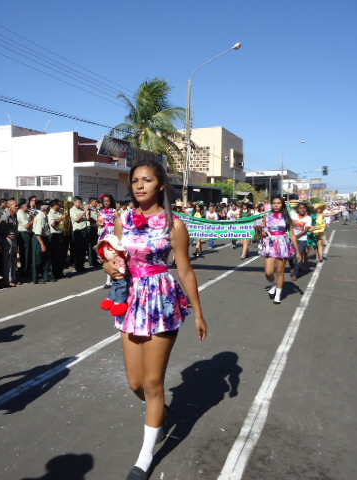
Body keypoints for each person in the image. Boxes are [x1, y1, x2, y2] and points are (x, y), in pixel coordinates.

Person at [102, 160, 207, 480]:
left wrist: (199, 312)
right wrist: (110, 267)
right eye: (135, 180)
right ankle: (160, 411)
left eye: (147, 180)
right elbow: (112, 257)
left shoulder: (174, 225)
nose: (139, 185)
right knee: (135, 383)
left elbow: (185, 270)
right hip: (131, 301)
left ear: (160, 184)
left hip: (161, 300)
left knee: (152, 383)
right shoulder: (122, 219)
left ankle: (145, 458)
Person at [259, 196, 301, 304]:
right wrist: (261, 232)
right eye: (274, 203)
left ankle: (278, 295)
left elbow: (292, 235)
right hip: (270, 244)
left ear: (282, 205)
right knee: (268, 272)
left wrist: (298, 251)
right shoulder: (267, 217)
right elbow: (262, 232)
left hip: (283, 244)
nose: (276, 205)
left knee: (280, 271)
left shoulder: (286, 217)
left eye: (278, 203)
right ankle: (273, 284)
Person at [98, 194, 118, 288]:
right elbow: (98, 222)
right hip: (104, 233)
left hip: (112, 234)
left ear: (111, 202)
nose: (106, 203)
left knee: (112, 256)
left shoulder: (115, 211)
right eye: (104, 201)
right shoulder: (101, 211)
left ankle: (110, 279)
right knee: (104, 256)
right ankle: (109, 279)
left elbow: (120, 222)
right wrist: (99, 223)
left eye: (108, 201)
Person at [0, 200, 20, 286]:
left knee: (14, 260)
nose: (17, 207)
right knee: (7, 260)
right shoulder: (5, 216)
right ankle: (7, 280)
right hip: (7, 240)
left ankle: (13, 279)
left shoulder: (15, 216)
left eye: (17, 206)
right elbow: (1, 230)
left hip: (14, 239)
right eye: (15, 206)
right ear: (9, 207)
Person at [290, 203, 312, 281]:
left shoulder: (308, 218)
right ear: (297, 209)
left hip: (302, 239)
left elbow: (305, 230)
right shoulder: (293, 216)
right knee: (290, 256)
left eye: (304, 208)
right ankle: (295, 267)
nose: (302, 209)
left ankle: (295, 274)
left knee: (298, 256)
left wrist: (296, 236)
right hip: (292, 238)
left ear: (306, 209)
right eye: (300, 208)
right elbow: (290, 225)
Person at [32, 203, 52, 284]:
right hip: (39, 239)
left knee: (45, 259)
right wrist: (42, 245)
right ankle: (36, 278)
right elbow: (38, 233)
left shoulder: (45, 217)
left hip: (45, 238)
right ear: (46, 210)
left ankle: (45, 276)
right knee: (38, 260)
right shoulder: (40, 217)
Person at [69, 196, 89, 272]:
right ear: (74, 202)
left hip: (84, 230)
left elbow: (87, 218)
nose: (80, 204)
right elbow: (77, 219)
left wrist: (87, 211)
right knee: (78, 250)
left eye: (81, 202)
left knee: (83, 249)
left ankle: (81, 265)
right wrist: (84, 211)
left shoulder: (81, 209)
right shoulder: (72, 210)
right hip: (77, 231)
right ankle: (77, 266)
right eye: (79, 202)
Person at [17, 200, 35, 279]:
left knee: (29, 253)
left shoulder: (26, 213)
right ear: (22, 207)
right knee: (26, 253)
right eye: (27, 206)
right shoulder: (21, 213)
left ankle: (28, 269)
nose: (28, 208)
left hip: (29, 233)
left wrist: (31, 217)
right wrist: (34, 220)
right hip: (24, 234)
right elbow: (27, 225)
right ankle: (25, 270)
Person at [48, 199, 65, 280]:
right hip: (54, 235)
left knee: (60, 255)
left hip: (61, 234)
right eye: (59, 204)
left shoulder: (60, 212)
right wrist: (61, 218)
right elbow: (53, 224)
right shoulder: (50, 213)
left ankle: (59, 272)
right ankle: (53, 273)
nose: (60, 206)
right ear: (54, 205)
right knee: (54, 255)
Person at [86, 197, 100, 267]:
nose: (97, 203)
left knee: (95, 244)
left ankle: (94, 260)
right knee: (91, 244)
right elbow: (88, 218)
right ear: (92, 202)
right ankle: (91, 260)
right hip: (90, 227)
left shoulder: (95, 209)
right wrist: (96, 221)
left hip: (95, 227)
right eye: (95, 202)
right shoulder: (88, 208)